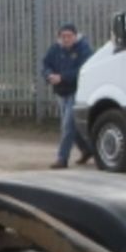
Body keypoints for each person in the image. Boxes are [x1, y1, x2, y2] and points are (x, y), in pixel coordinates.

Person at [43, 23, 94, 168]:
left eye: (69, 36)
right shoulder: (55, 49)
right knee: (74, 126)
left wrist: (62, 77)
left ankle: (62, 159)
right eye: (63, 36)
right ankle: (87, 150)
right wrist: (49, 75)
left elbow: (82, 70)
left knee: (67, 125)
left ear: (75, 36)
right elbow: (45, 64)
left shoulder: (84, 49)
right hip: (61, 92)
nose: (66, 39)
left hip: (78, 91)